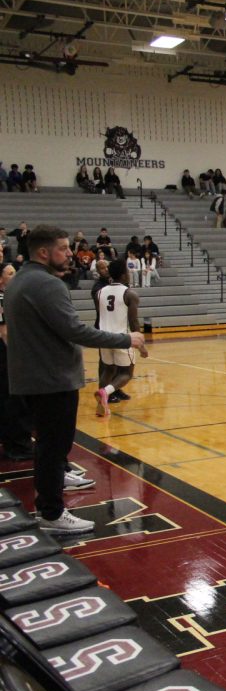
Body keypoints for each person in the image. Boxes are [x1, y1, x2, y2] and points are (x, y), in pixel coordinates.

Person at [5, 225, 145, 534]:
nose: (71, 253)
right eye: (64, 248)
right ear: (44, 252)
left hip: (32, 377)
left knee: (47, 445)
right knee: (54, 445)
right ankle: (52, 513)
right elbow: (74, 330)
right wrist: (126, 339)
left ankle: (54, 488)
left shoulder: (19, 280)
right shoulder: (47, 285)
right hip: (52, 379)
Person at [94, 260, 142, 417]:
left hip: (104, 337)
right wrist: (141, 344)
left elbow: (101, 315)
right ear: (123, 275)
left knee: (108, 369)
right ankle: (105, 392)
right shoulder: (130, 294)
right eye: (127, 271)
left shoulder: (99, 292)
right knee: (126, 373)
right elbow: (134, 322)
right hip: (122, 338)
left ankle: (101, 404)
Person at [0, 263, 34, 461]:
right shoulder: (3, 298)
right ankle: (18, 446)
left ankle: (13, 442)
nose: (15, 276)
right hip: (7, 358)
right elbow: (5, 333)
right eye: (11, 274)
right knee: (15, 401)